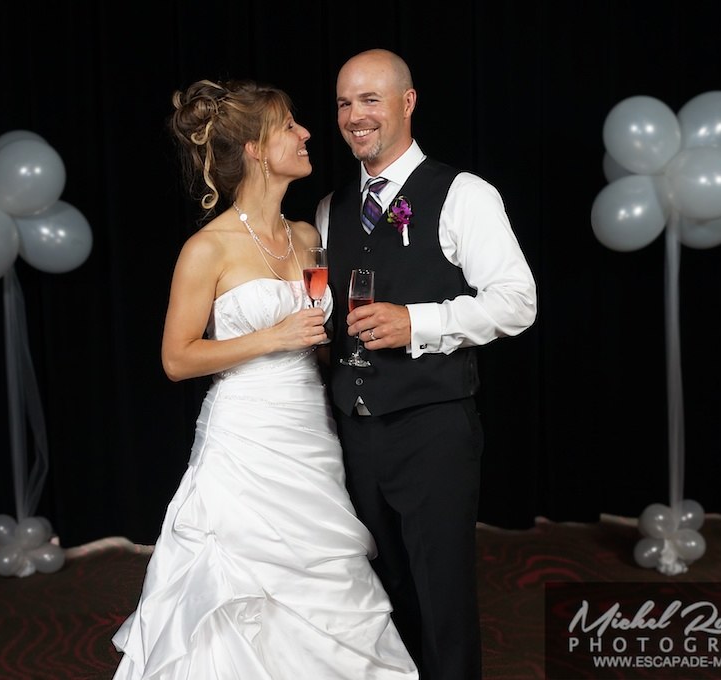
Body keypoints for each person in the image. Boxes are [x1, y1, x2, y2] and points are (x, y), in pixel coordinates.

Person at [111, 78, 419, 679]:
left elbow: (319, 339)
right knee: (238, 580)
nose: (308, 134)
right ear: (254, 148)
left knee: (325, 576)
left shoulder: (307, 237)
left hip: (311, 431)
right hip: (245, 438)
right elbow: (176, 359)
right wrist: (270, 339)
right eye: (289, 127)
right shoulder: (209, 248)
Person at [315, 49, 538, 680]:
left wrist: (420, 322)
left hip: (431, 428)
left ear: (407, 103)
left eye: (370, 99)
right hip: (352, 433)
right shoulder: (331, 209)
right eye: (343, 102)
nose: (355, 116)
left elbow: (517, 302)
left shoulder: (464, 194)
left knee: (441, 596)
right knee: (379, 594)